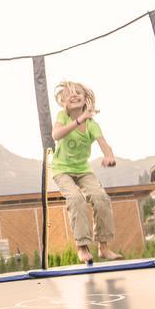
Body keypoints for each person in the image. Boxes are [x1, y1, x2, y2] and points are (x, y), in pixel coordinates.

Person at [51, 80, 119, 265]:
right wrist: (79, 119)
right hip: (61, 170)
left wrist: (109, 156)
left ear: (85, 98)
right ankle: (82, 246)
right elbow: (56, 135)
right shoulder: (62, 116)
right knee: (76, 199)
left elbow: (104, 144)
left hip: (83, 170)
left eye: (78, 92)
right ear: (64, 101)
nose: (74, 95)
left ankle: (103, 247)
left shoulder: (92, 124)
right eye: (69, 93)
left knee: (101, 197)